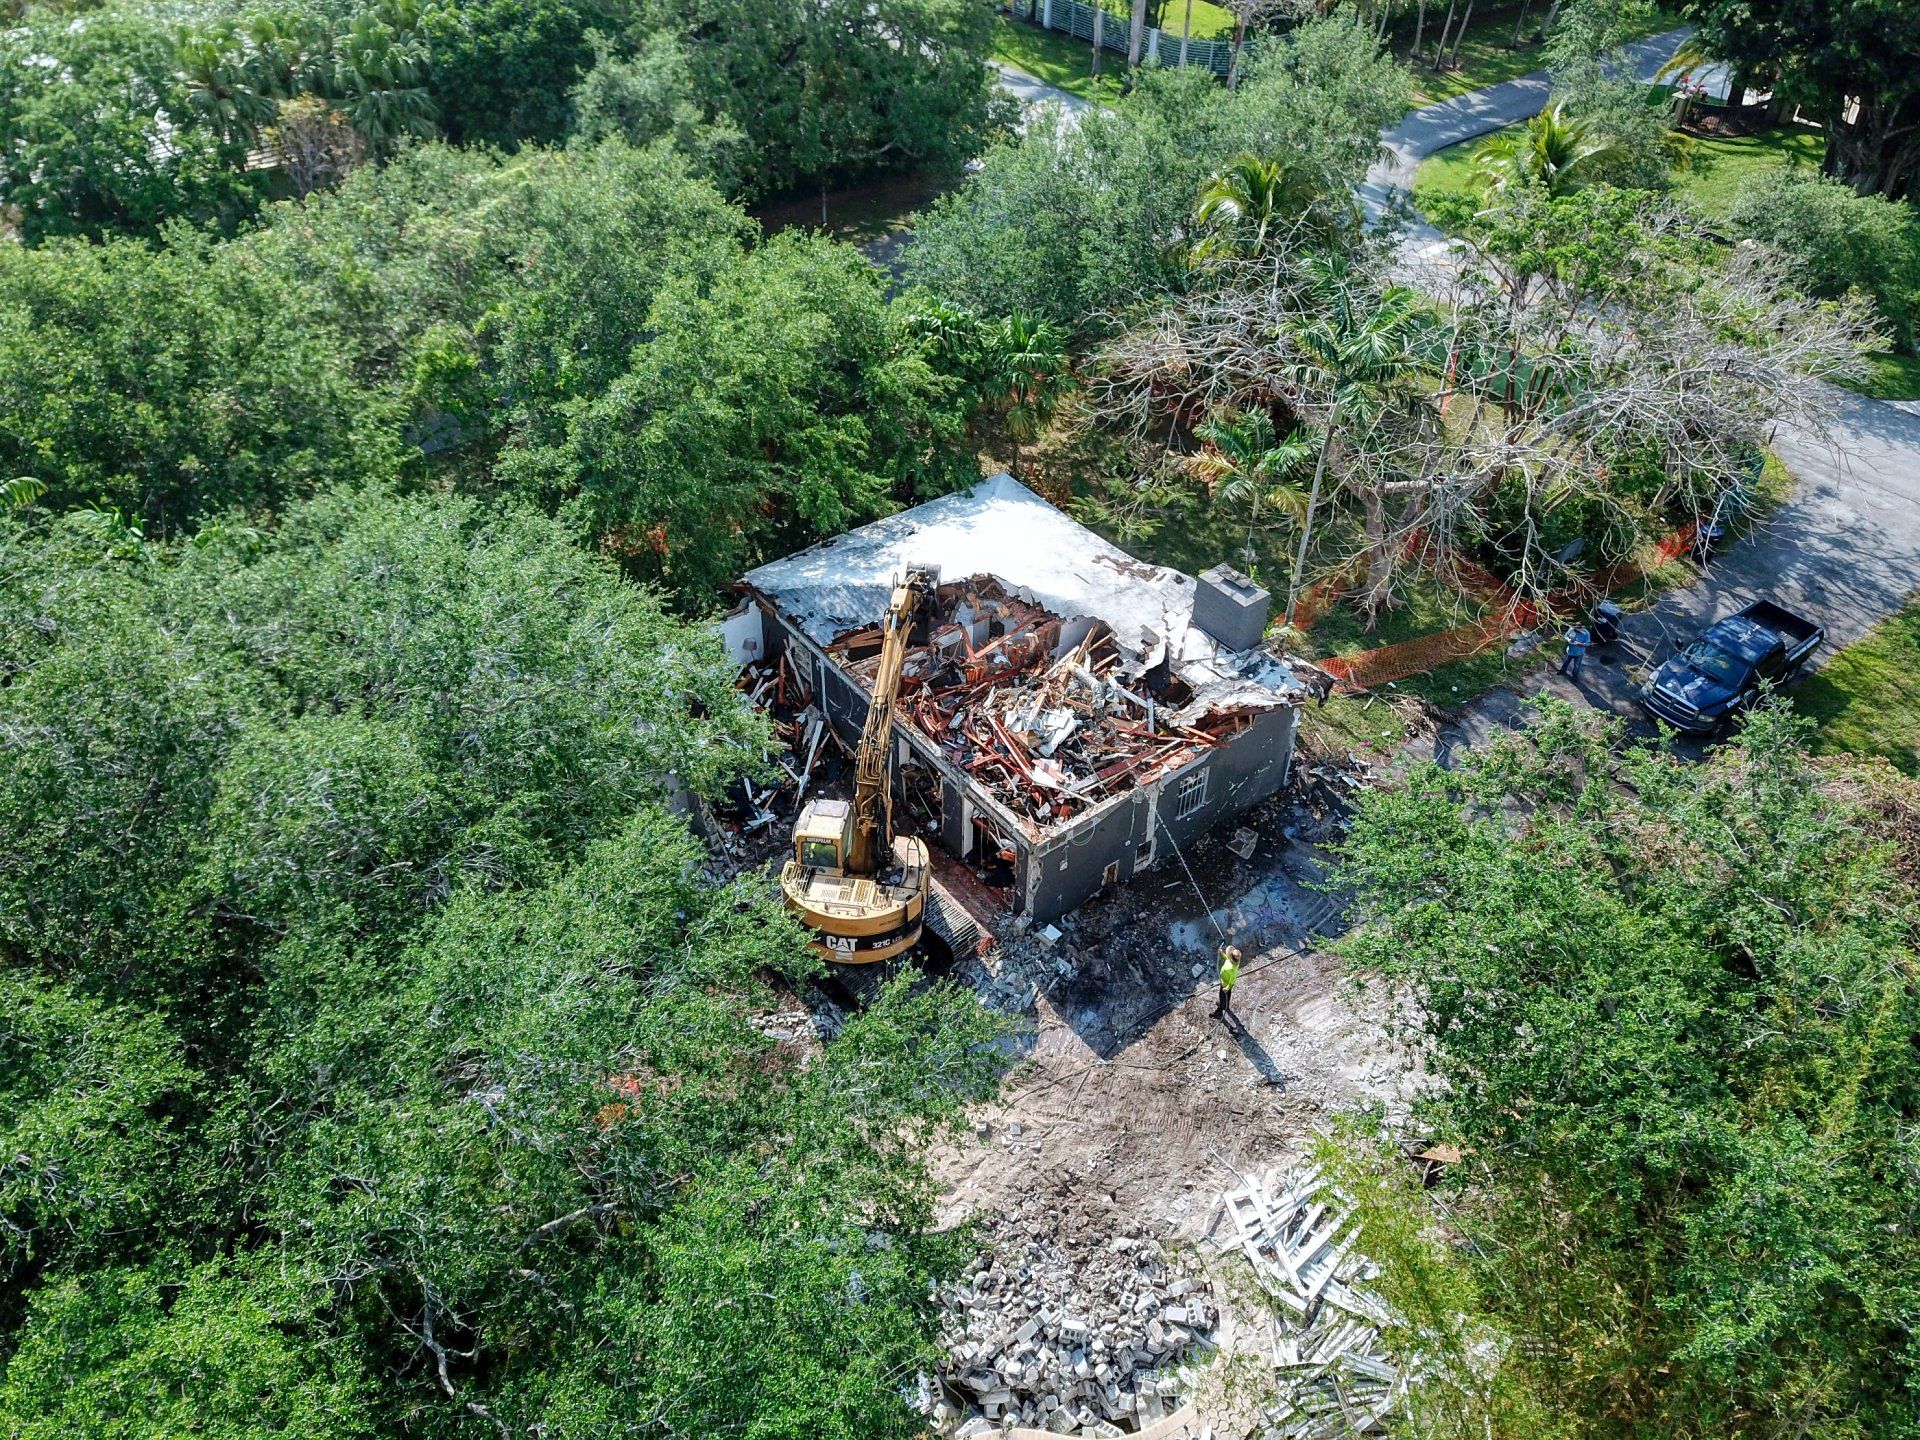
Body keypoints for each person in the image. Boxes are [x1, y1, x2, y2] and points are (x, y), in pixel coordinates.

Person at [1212, 944, 1243, 1028]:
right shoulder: (1233, 962)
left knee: (1222, 996)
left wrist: (1227, 987)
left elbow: (1232, 981)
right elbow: (1227, 959)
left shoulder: (1231, 969)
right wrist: (1222, 953)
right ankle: (1226, 1005)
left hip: (1225, 984)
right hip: (1225, 983)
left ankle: (1219, 1011)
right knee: (1228, 995)